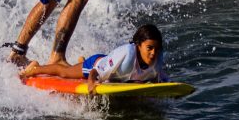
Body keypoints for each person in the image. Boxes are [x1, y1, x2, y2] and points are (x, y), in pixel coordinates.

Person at [20, 24, 169, 94]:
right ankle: (35, 68)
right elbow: (95, 72)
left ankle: (80, 61)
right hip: (95, 64)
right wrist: (91, 84)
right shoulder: (127, 54)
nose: (153, 53)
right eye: (149, 48)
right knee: (65, 72)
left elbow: (161, 79)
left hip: (112, 69)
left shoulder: (156, 58)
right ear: (138, 45)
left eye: (156, 48)